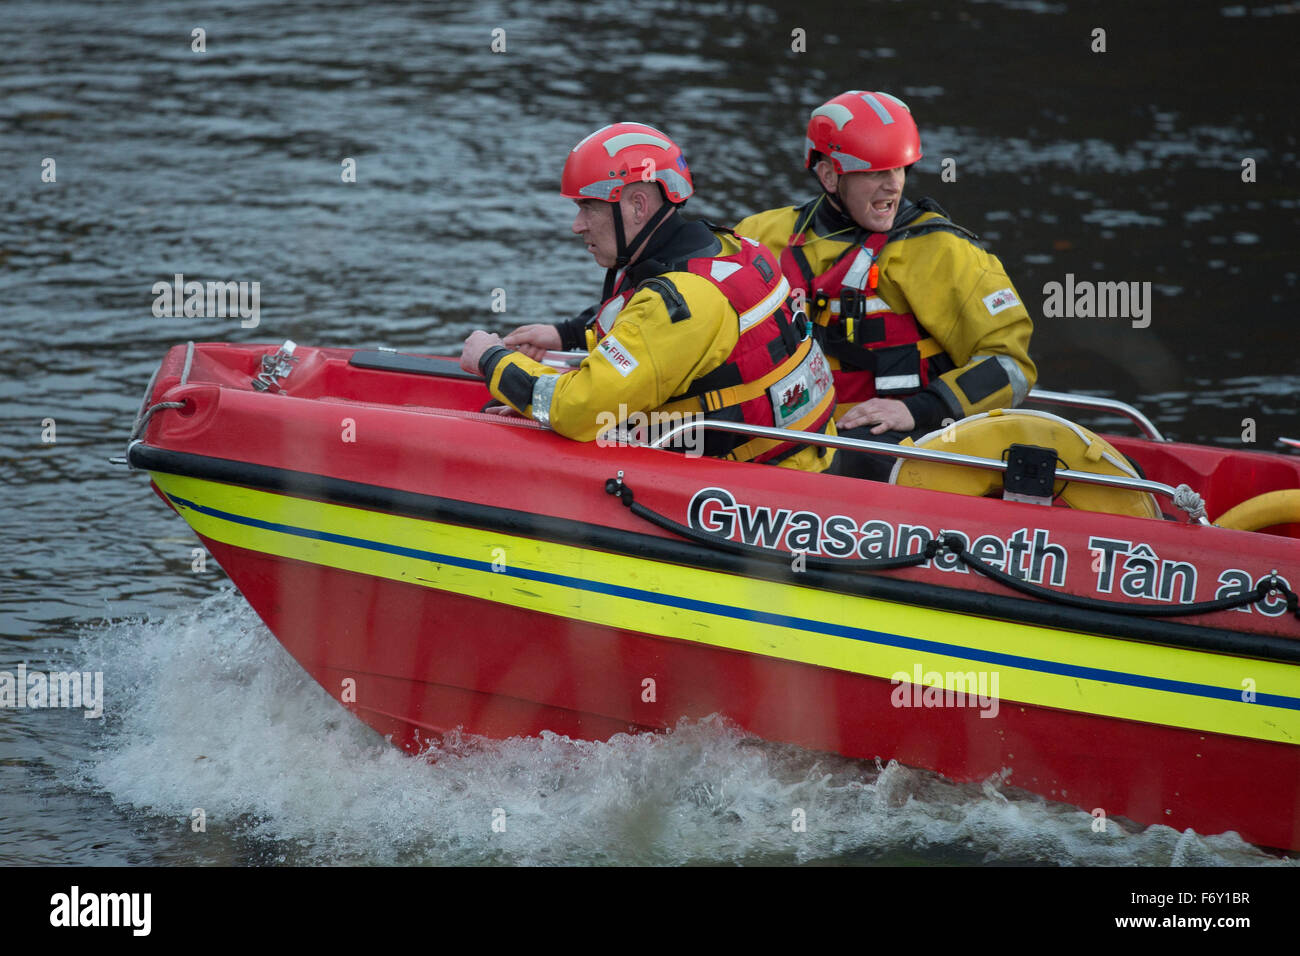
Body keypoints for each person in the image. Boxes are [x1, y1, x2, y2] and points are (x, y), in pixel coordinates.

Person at [460, 122, 837, 472]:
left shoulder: (676, 303)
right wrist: (567, 334)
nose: (577, 226)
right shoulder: (735, 248)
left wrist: (492, 359)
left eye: (587, 207)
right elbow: (657, 341)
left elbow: (576, 410)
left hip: (756, 493)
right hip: (811, 456)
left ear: (638, 205)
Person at [734, 90, 1037, 480]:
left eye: (899, 169)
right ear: (829, 175)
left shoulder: (943, 253)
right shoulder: (760, 236)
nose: (893, 186)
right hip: (788, 431)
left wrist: (917, 409)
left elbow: (1011, 365)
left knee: (857, 457)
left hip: (889, 443)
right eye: (875, 172)